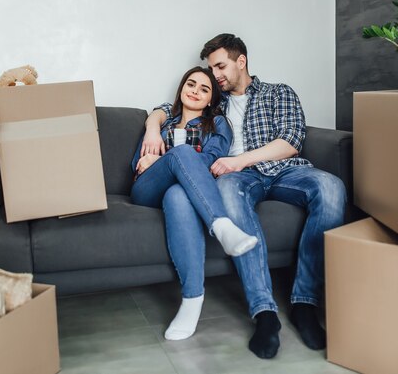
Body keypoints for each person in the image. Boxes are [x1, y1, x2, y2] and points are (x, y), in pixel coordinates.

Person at [143, 34, 346, 358]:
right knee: (229, 195)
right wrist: (153, 127)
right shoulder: (214, 100)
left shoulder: (278, 92)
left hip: (284, 169)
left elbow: (291, 140)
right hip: (235, 178)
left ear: (241, 61)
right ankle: (264, 313)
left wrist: (239, 159)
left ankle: (304, 302)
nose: (216, 75)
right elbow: (169, 109)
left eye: (220, 66)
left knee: (332, 187)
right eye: (212, 68)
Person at [130, 66, 258, 340]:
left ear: (212, 99)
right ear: (182, 88)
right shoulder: (162, 122)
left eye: (204, 89)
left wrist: (168, 158)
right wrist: (158, 155)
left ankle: (192, 300)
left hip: (180, 190)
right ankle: (222, 226)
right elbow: (138, 164)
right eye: (191, 84)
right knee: (182, 155)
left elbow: (211, 162)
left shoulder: (218, 124)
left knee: (178, 193)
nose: (196, 91)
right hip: (146, 190)